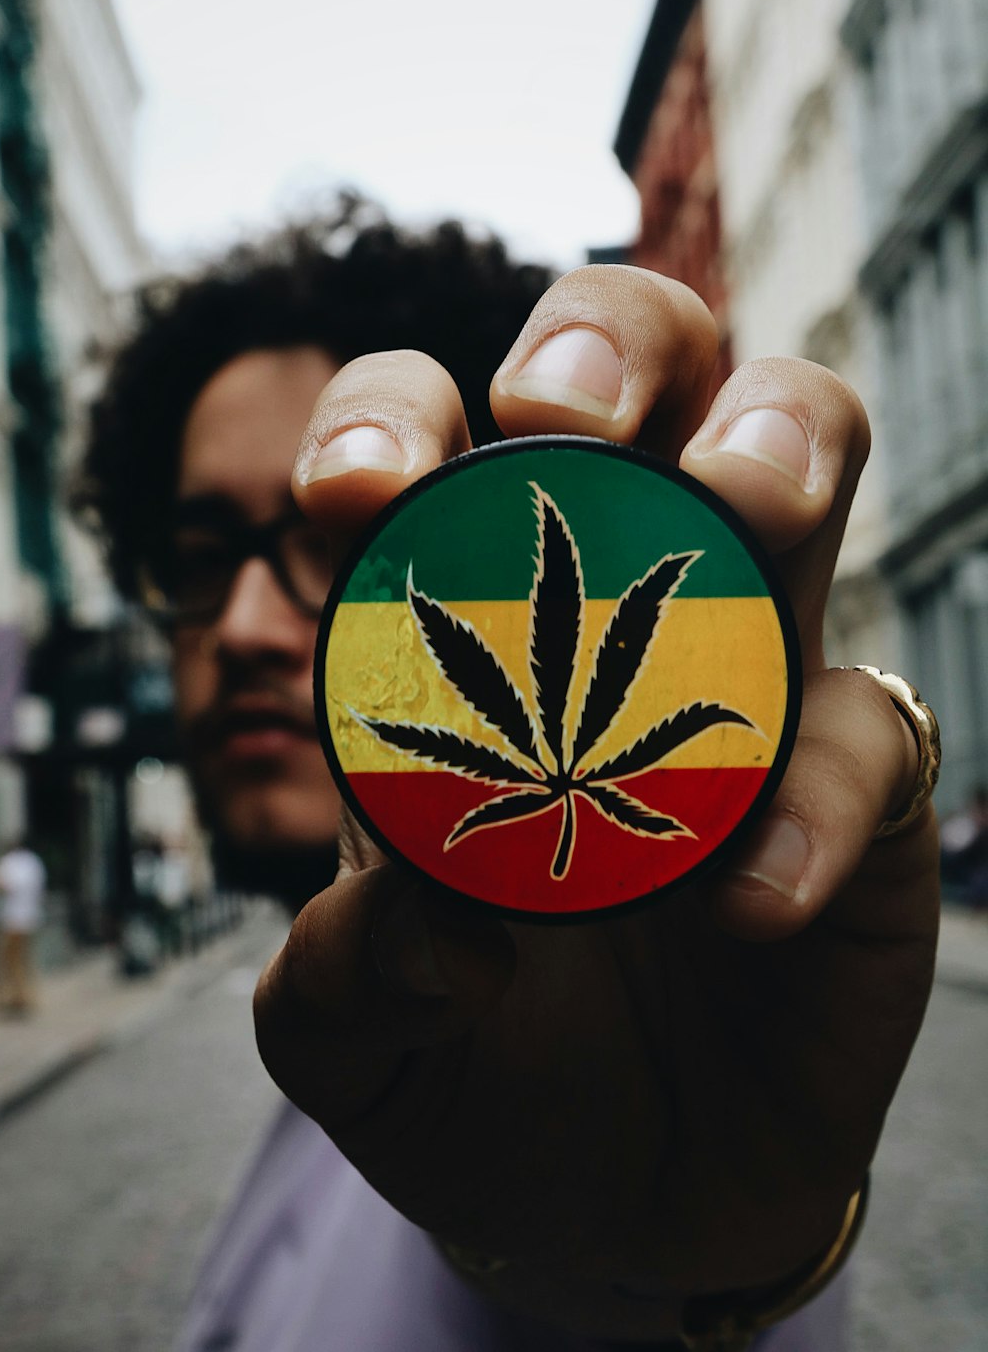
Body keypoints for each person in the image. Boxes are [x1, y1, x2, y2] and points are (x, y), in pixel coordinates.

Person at [77, 193, 941, 1351]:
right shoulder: (338, 1102)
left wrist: (641, 1284)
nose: (238, 627)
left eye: (331, 551)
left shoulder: (548, 1051)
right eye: (195, 559)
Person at [0, 838, 47, 1014]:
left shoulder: (10, 863)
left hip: (13, 919)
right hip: (30, 918)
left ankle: (17, 998)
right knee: (24, 960)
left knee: (11, 961)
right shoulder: (34, 862)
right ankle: (24, 997)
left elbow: (6, 887)